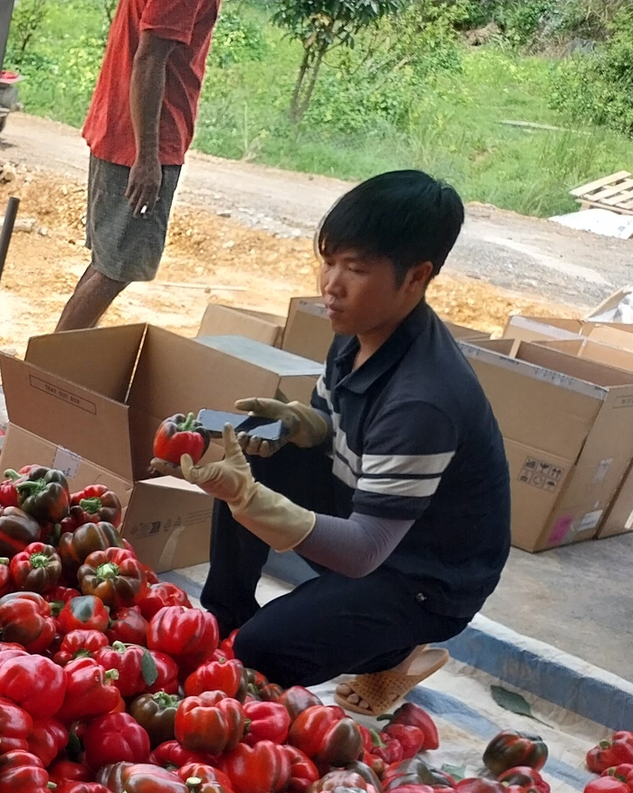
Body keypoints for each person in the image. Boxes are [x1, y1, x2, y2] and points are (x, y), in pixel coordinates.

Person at [172, 169, 510, 713]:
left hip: (422, 575)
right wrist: (301, 424)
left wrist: (250, 502)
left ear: (415, 278)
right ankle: (223, 616)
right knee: (260, 457)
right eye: (328, 260)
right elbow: (337, 430)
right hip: (376, 516)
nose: (331, 283)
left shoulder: (423, 399)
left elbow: (362, 551)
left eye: (355, 268)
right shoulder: (359, 335)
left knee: (265, 650)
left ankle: (392, 646)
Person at [55, 0, 222, 331]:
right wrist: (147, 158)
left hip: (125, 132)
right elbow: (148, 59)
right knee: (115, 270)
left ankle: (56, 364)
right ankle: (44, 371)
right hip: (141, 142)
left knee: (109, 265)